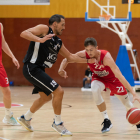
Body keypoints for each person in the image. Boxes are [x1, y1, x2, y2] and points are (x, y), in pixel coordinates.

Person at [16, 15, 95, 136]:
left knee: (46, 98)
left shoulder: (58, 42)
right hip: (31, 67)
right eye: (62, 24)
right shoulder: (44, 29)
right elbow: (23, 33)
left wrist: (91, 60)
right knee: (59, 91)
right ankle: (57, 123)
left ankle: (25, 118)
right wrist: (40, 39)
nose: (64, 27)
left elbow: (71, 57)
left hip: (39, 69)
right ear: (54, 24)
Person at [58, 37, 140, 133]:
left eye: (91, 50)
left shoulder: (106, 58)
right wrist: (61, 69)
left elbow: (120, 76)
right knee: (94, 89)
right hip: (99, 78)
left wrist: (133, 93)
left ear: (97, 48)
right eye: (87, 50)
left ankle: (138, 121)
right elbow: (68, 58)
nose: (89, 53)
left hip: (113, 80)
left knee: (128, 105)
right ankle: (106, 120)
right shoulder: (84, 55)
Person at [0, 23, 20, 125]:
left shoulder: (0, 25)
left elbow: (3, 43)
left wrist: (12, 56)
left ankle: (8, 116)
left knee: (7, 91)